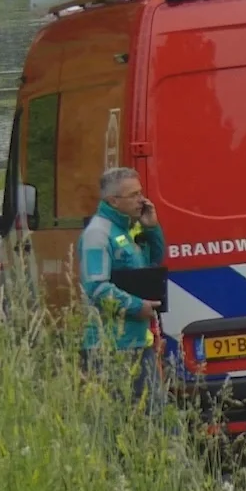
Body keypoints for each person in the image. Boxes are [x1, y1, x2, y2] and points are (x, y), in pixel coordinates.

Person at [80, 167, 167, 412]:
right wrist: (137, 306)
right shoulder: (98, 234)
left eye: (141, 193)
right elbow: (96, 287)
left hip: (137, 341)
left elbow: (151, 264)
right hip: (112, 346)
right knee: (125, 424)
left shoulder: (127, 230)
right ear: (113, 201)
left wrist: (151, 228)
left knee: (155, 421)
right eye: (134, 195)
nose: (142, 200)